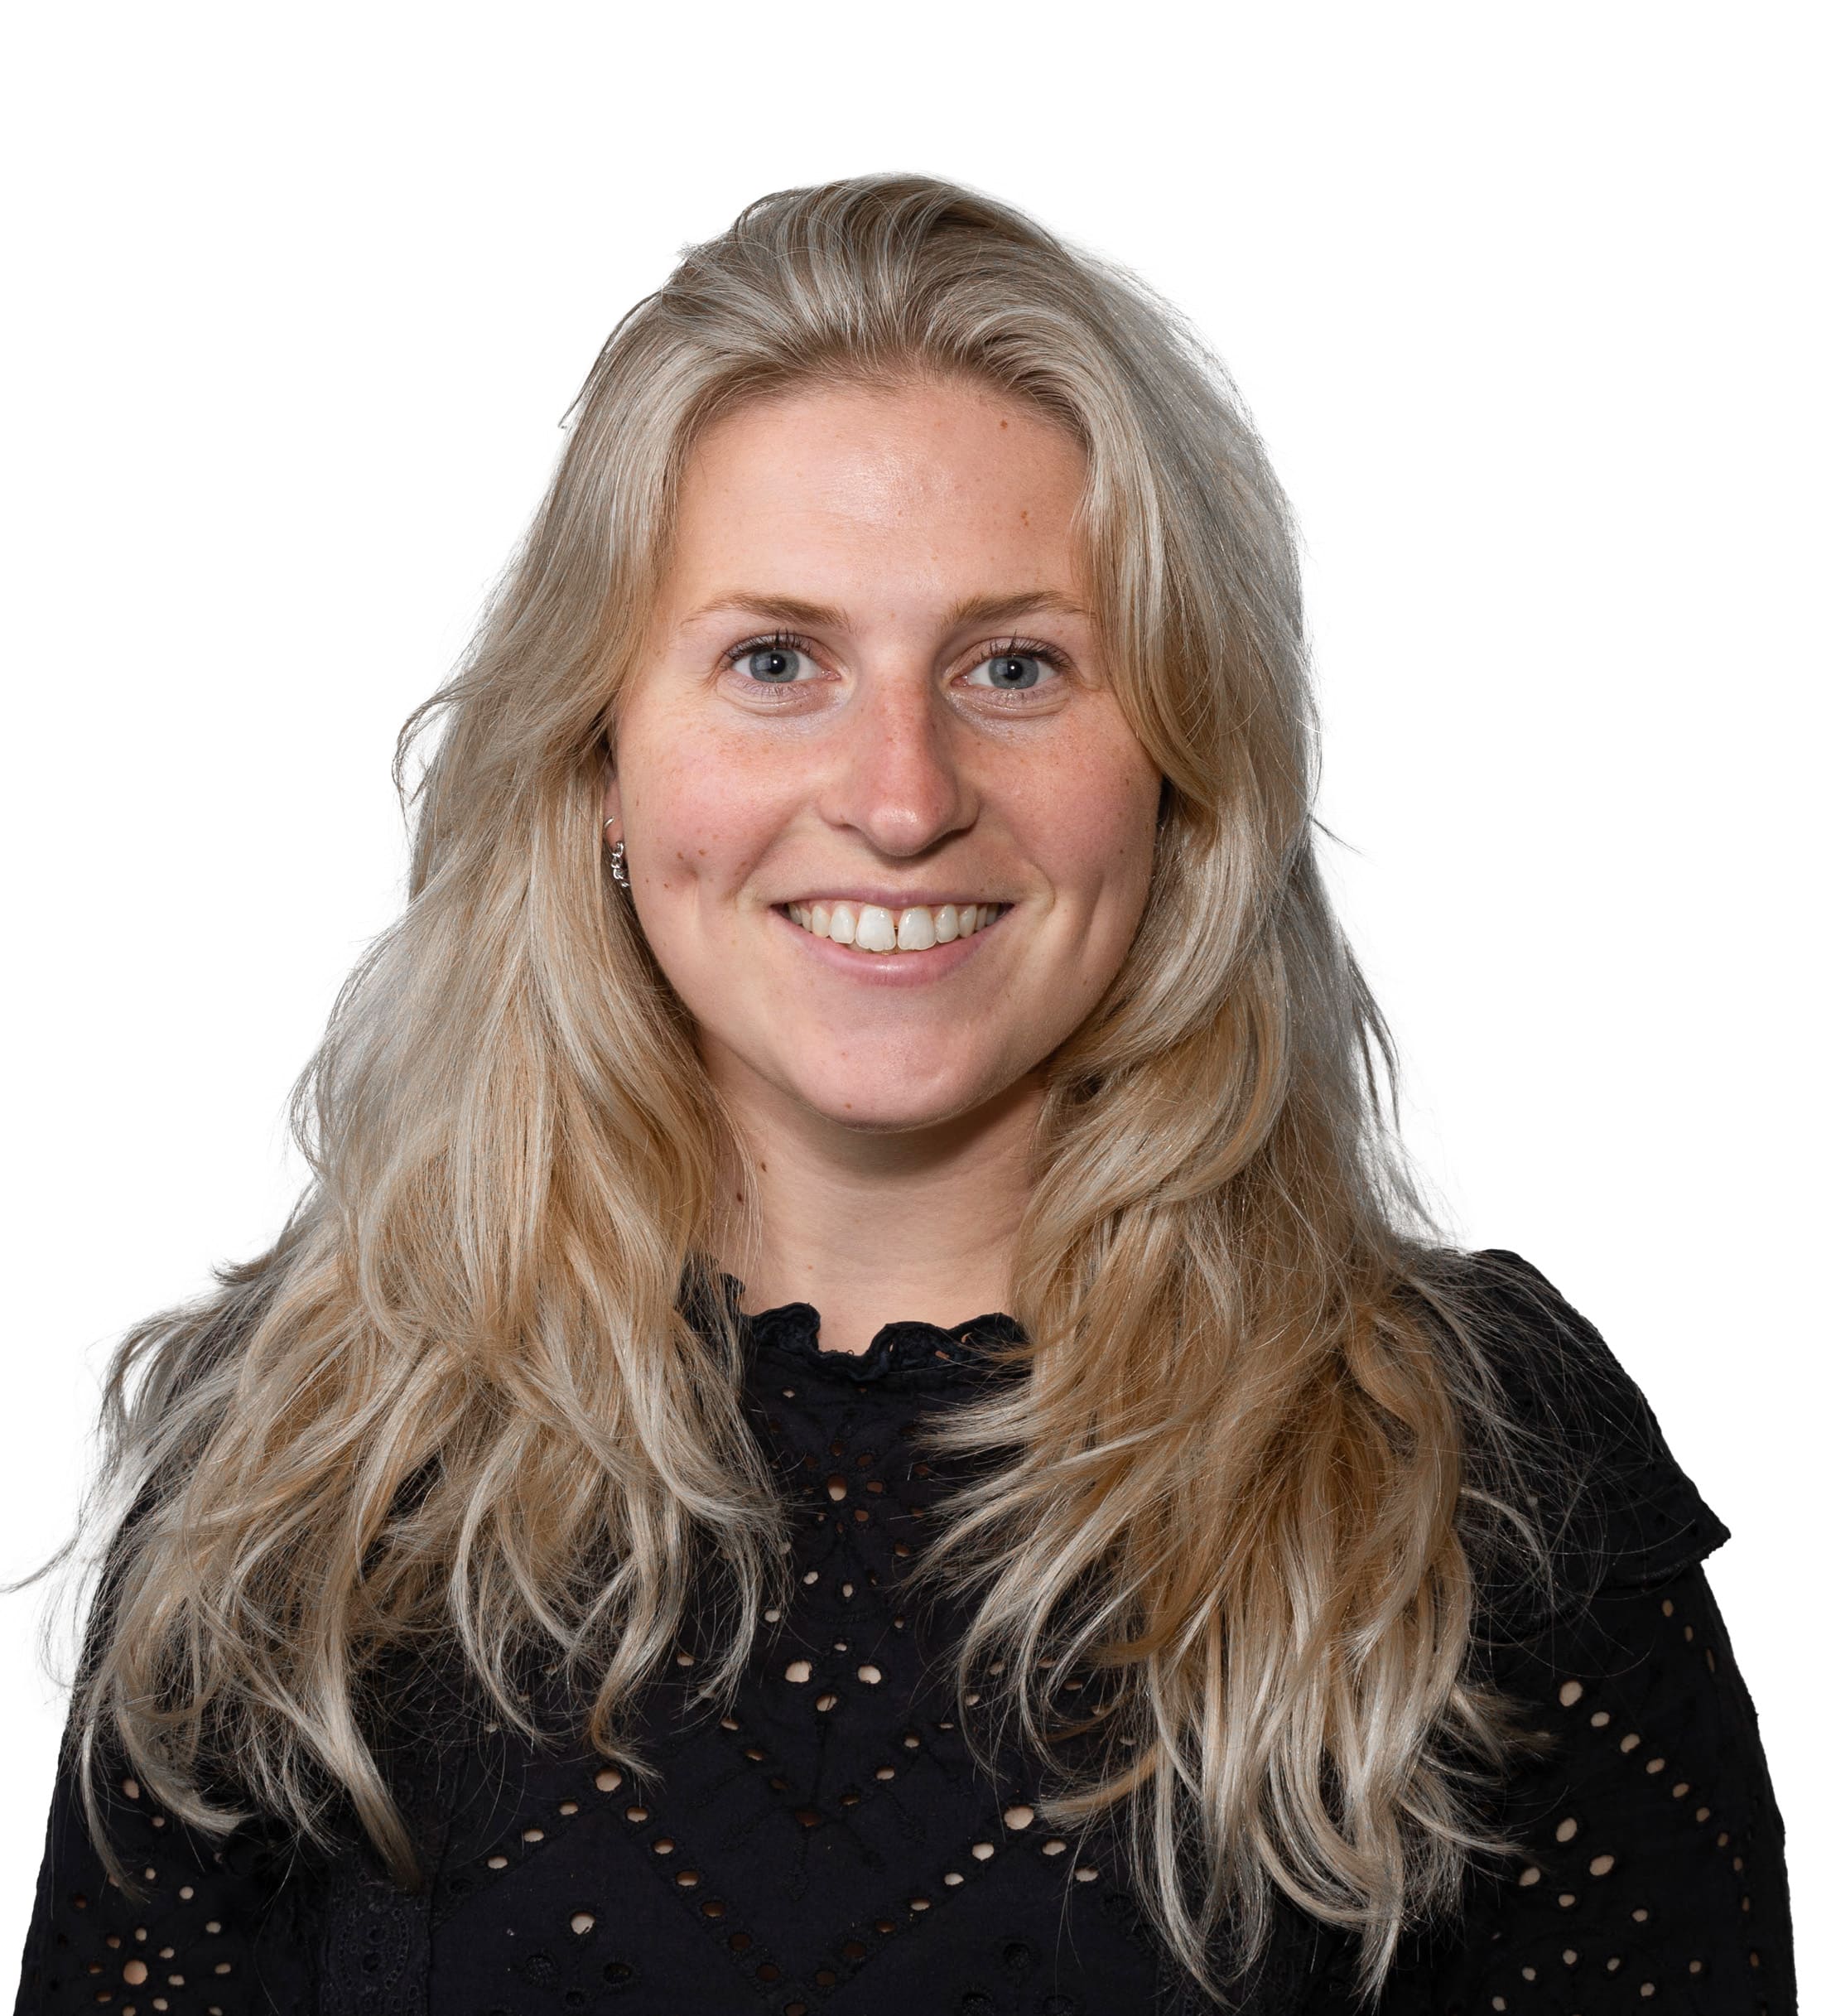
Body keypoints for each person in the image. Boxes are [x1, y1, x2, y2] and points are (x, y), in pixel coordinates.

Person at [13, 172, 1794, 2015]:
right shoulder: (302, 1473)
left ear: (1181, 770)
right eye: (775, 661)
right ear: (599, 759)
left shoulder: (1467, 1476)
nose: (899, 793)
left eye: (1015, 666)